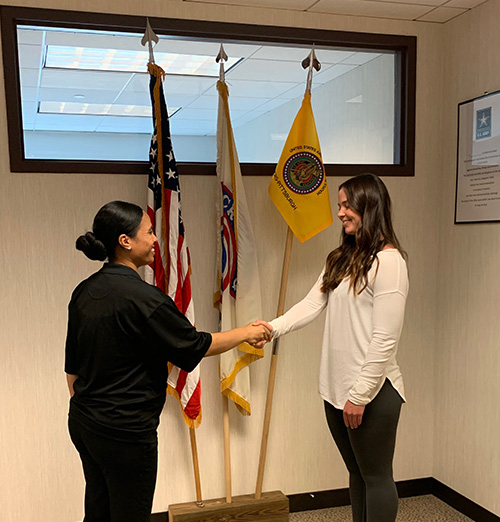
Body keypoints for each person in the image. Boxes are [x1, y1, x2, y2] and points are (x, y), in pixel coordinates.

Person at [65, 200, 271, 522]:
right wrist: (245, 332)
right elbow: (195, 345)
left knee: (98, 508)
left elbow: (72, 371)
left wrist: (94, 412)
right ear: (125, 241)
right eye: (149, 232)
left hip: (84, 423)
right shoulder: (146, 300)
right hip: (127, 435)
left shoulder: (83, 292)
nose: (156, 239)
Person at [266, 173, 408, 522]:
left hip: (372, 393)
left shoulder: (389, 263)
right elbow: (311, 305)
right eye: (340, 205)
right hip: (335, 390)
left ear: (369, 206)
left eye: (348, 205)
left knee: (376, 477)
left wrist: (360, 395)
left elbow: (385, 338)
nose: (341, 212)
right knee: (357, 473)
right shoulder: (342, 258)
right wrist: (272, 328)